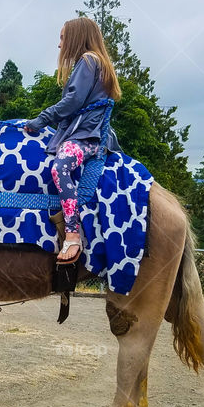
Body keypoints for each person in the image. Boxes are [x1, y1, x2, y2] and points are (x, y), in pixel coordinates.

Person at [24, 17, 122, 265]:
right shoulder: (95, 62)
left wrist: (41, 119)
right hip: (87, 132)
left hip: (86, 136)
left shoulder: (88, 60)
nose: (60, 45)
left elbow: (73, 101)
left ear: (76, 38)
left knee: (60, 167)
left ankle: (72, 233)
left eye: (62, 37)